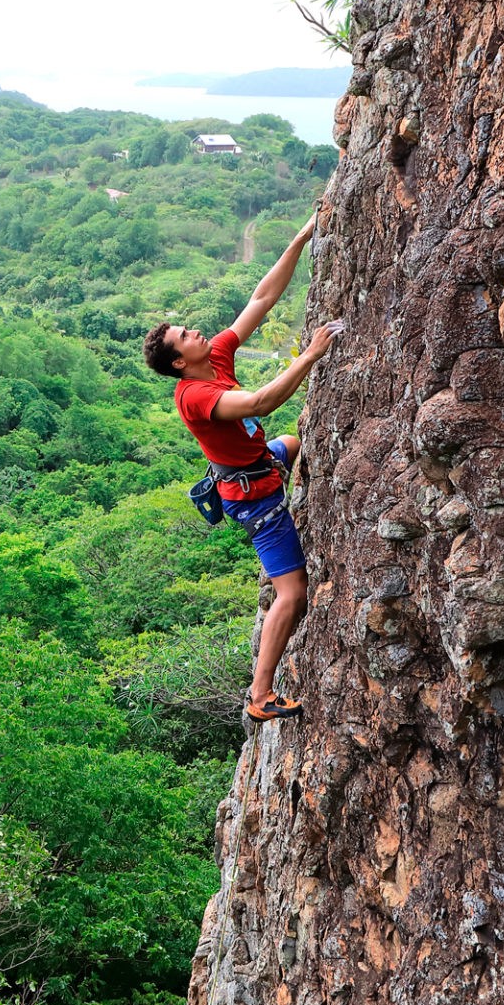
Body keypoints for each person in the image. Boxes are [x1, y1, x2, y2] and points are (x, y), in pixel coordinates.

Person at [142, 211, 339, 722]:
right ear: (179, 361)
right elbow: (257, 405)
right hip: (256, 499)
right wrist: (311, 354)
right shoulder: (195, 394)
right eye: (186, 334)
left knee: (294, 443)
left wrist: (301, 237)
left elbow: (262, 298)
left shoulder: (217, 357)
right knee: (292, 593)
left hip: (261, 462)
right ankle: (259, 697)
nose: (197, 331)